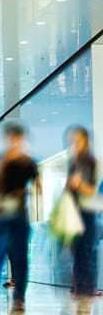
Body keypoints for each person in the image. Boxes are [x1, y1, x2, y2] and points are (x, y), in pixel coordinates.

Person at [0, 121, 41, 313]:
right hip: (3, 216)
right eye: (11, 138)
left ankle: (19, 296)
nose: (14, 142)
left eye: (18, 138)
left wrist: (25, 190)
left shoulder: (29, 162)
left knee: (20, 258)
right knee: (2, 253)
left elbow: (39, 187)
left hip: (19, 216)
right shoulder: (2, 160)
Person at [66, 126, 99, 299]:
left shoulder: (89, 161)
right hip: (74, 213)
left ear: (85, 140)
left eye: (76, 140)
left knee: (85, 252)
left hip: (86, 213)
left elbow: (91, 190)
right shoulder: (74, 162)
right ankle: (79, 289)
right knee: (77, 252)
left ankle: (86, 291)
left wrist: (78, 184)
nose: (73, 143)